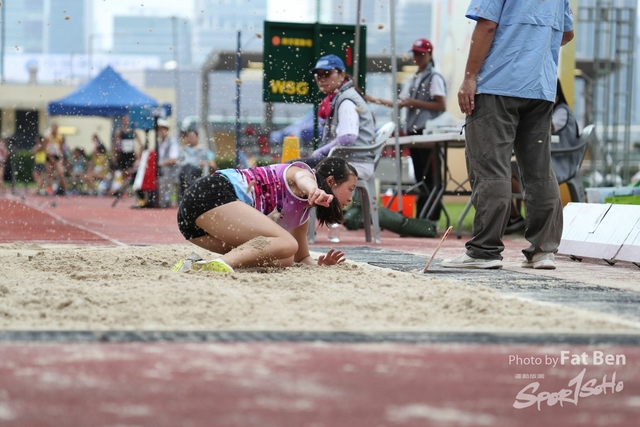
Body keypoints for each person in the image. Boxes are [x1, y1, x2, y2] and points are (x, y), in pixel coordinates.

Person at [444, 0, 574, 270]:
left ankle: (485, 251)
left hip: (498, 84)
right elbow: (567, 33)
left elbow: (487, 25)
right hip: (540, 87)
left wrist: (469, 77)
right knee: (538, 170)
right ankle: (544, 250)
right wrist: (534, 48)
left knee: (491, 166)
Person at [173, 157, 353, 273]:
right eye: (350, 189)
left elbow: (301, 258)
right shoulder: (303, 174)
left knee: (285, 258)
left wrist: (320, 266)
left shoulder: (302, 214)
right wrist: (314, 189)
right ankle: (220, 264)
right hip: (210, 193)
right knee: (288, 243)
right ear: (331, 181)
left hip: (195, 230)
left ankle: (197, 266)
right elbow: (302, 179)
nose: (351, 198)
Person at [365, 38, 447, 221]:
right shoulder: (415, 79)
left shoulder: (434, 77)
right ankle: (424, 216)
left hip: (428, 134)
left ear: (429, 55)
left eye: (421, 53)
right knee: (421, 177)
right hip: (415, 133)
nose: (417, 57)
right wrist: (372, 99)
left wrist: (414, 103)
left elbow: (441, 105)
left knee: (431, 177)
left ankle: (431, 217)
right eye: (415, 53)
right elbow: (400, 103)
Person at [505, 79, 580, 235]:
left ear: (556, 95)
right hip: (548, 157)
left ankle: (532, 205)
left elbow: (548, 126)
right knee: (505, 171)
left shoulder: (562, 111)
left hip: (560, 160)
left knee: (518, 172)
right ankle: (515, 216)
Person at [303, 54, 376, 181]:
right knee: (296, 168)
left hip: (354, 163)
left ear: (342, 75)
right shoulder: (340, 97)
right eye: (318, 75)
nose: (321, 79)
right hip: (348, 160)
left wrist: (321, 151)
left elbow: (348, 137)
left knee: (294, 169)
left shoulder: (346, 99)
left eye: (327, 73)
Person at [177, 129, 217, 198]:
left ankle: (189, 189)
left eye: (192, 137)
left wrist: (206, 162)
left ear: (197, 138)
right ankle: (190, 189)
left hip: (198, 170)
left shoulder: (205, 150)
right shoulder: (182, 150)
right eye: (189, 137)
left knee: (186, 170)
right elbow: (178, 162)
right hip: (184, 171)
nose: (190, 139)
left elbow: (214, 166)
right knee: (185, 169)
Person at [156, 119, 180, 208]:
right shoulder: (158, 143)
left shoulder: (172, 142)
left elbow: (173, 159)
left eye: (162, 129)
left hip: (170, 171)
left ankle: (165, 198)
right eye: (159, 129)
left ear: (167, 130)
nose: (160, 131)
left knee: (164, 175)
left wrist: (160, 164)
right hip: (160, 170)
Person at [44, 123, 68, 194]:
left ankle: (66, 190)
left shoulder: (60, 138)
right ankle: (49, 190)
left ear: (57, 129)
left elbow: (61, 149)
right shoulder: (47, 137)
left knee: (61, 173)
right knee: (50, 174)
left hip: (56, 156)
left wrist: (62, 158)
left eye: (55, 129)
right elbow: (45, 148)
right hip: (49, 157)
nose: (54, 130)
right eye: (53, 129)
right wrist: (50, 157)